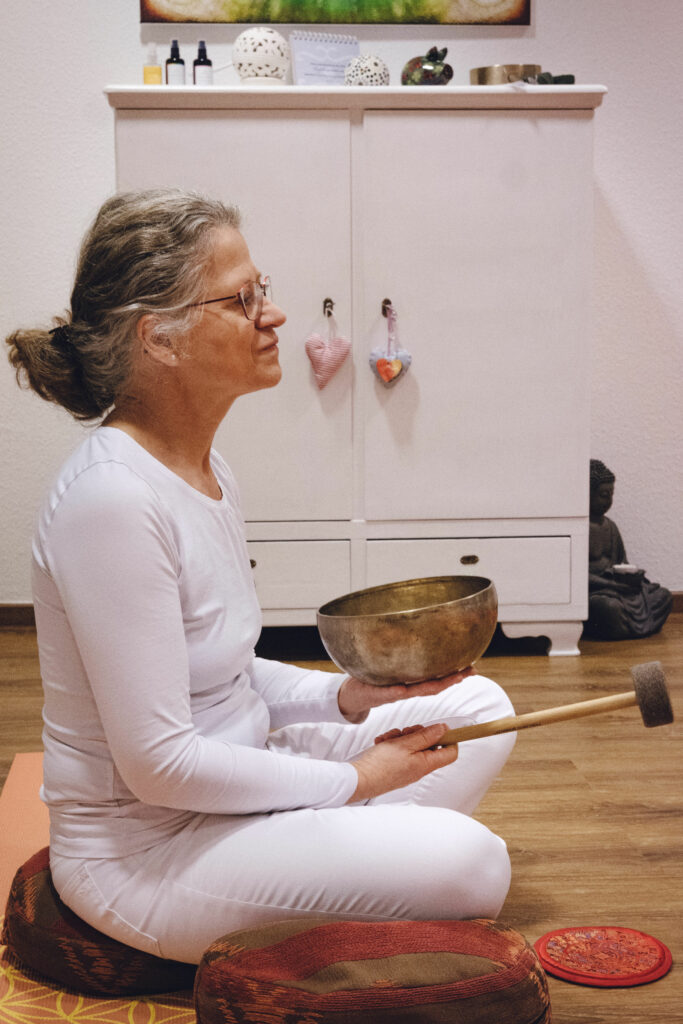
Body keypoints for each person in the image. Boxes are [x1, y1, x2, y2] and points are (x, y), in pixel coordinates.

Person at [6, 188, 516, 965]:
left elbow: (226, 670)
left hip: (236, 794)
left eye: (262, 291)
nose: (271, 316)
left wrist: (344, 698)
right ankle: (354, 859)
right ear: (160, 339)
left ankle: (337, 861)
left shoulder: (205, 471)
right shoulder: (110, 500)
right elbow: (159, 766)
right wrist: (352, 779)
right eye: (243, 299)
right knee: (474, 863)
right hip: (148, 853)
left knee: (477, 702)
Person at [586, 459, 672, 640]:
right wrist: (611, 584)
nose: (608, 500)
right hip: (596, 590)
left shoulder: (611, 526)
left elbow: (620, 562)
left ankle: (621, 627)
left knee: (662, 596)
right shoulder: (579, 529)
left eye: (611, 494)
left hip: (616, 588)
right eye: (603, 494)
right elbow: (577, 575)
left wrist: (632, 577)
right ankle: (613, 627)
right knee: (609, 608)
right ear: (587, 493)